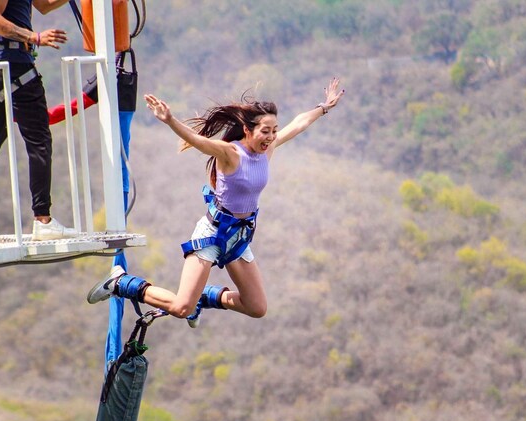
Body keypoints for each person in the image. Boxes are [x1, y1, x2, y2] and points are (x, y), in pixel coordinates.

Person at [87, 78, 345, 327]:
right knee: (180, 308)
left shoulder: (268, 148)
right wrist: (170, 120)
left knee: (257, 307)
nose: (271, 136)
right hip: (213, 233)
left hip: (240, 236)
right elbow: (198, 142)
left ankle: (206, 296)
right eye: (265, 131)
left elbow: (298, 124)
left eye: (274, 131)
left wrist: (324, 107)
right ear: (248, 130)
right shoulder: (231, 153)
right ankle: (121, 283)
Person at [0, 0, 77, 242]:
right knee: (39, 140)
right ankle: (43, 220)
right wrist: (34, 36)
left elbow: (43, 4)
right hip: (13, 65)